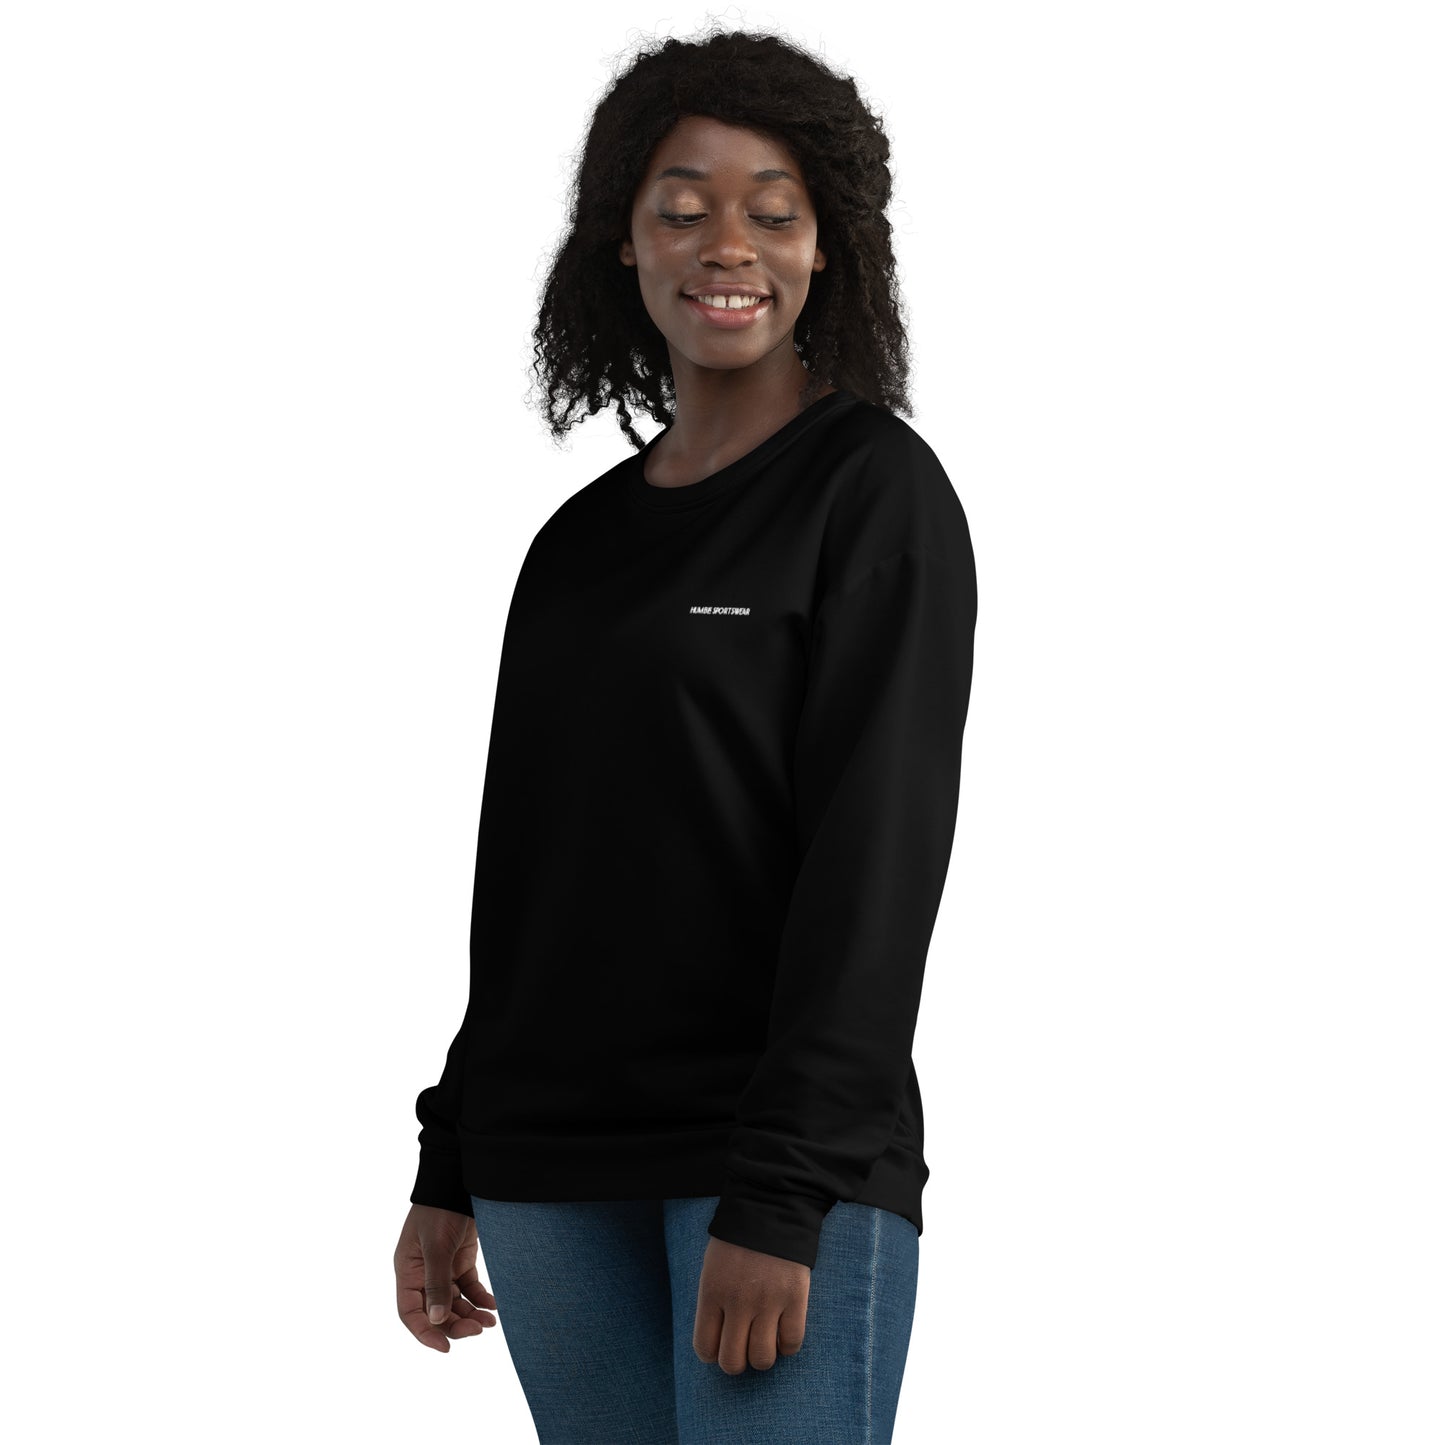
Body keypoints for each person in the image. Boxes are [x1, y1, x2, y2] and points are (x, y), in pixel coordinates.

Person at [392, 25, 978, 1444]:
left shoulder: (872, 494)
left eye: (773, 212)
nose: (728, 246)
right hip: (546, 1168)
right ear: (624, 242)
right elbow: (528, 875)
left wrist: (782, 1191)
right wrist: (450, 1157)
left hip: (761, 1166)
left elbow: (876, 865)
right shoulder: (576, 547)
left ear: (826, 248)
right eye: (681, 209)